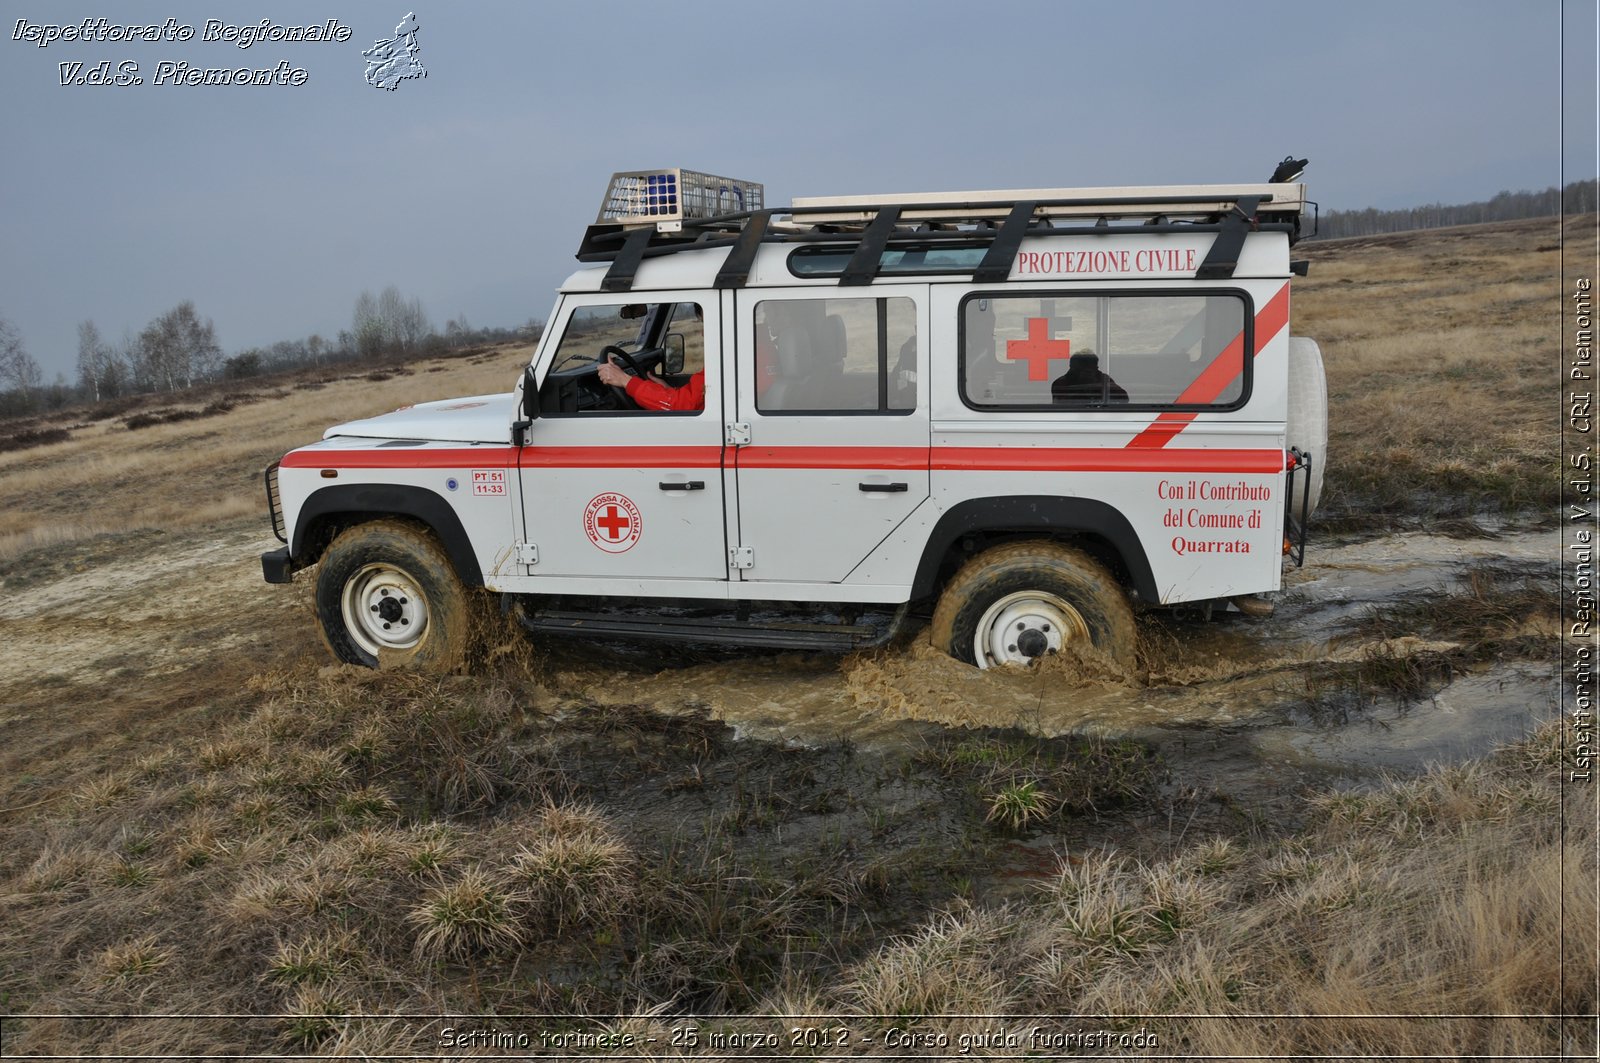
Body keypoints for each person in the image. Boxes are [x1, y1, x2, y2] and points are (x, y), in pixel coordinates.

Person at [597, 356, 704, 411]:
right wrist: (667, 389)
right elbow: (692, 400)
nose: (702, 333)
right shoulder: (717, 366)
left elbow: (683, 408)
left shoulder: (717, 367)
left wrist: (625, 380)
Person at [1051, 351, 1128, 404]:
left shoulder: (1103, 379)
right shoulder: (1061, 383)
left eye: (1091, 369)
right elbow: (1060, 405)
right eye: (1082, 370)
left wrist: (1098, 384)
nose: (1086, 373)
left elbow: (1123, 399)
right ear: (1073, 368)